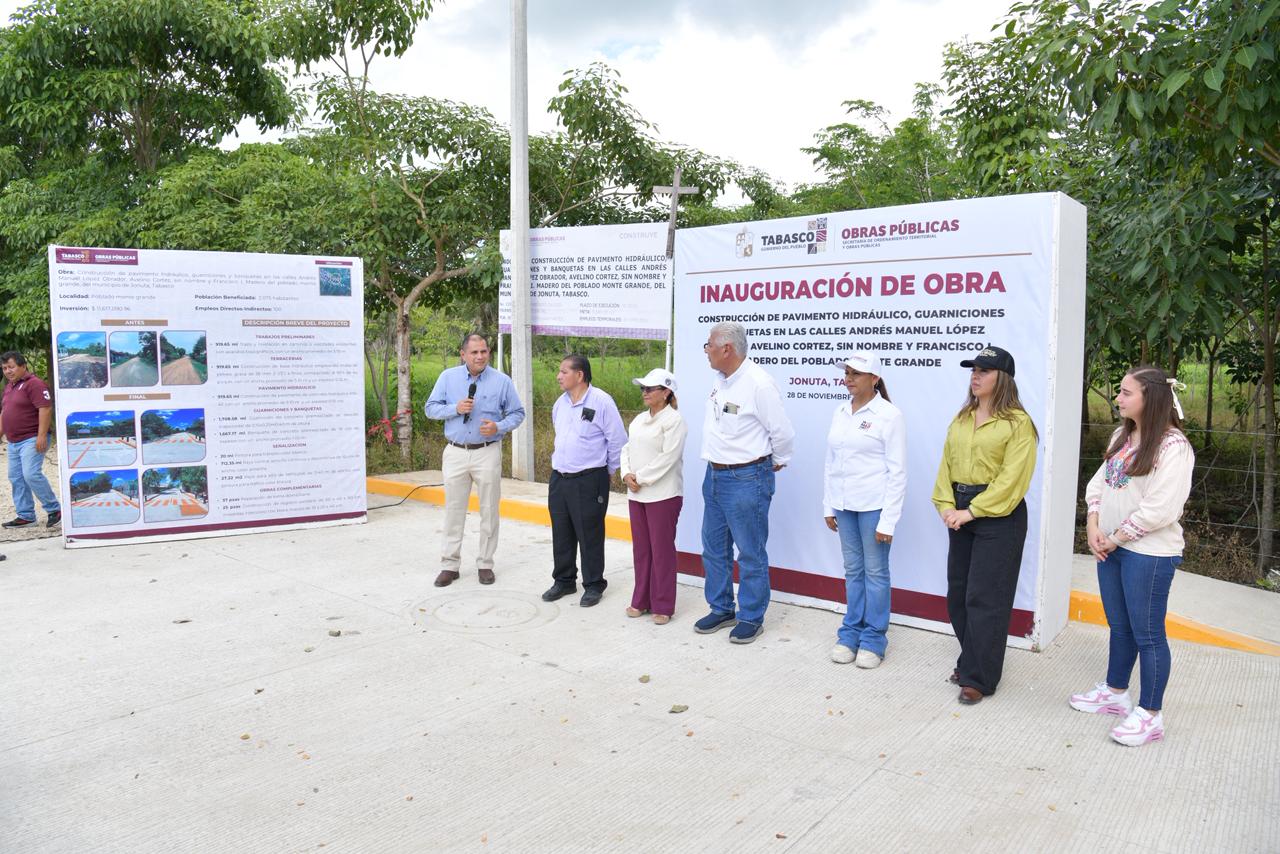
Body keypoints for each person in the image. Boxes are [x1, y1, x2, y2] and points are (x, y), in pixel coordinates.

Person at [1070, 366, 1194, 747]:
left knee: (1149, 634)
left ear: (1149, 398)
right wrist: (1093, 524)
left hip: (1148, 554)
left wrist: (1115, 538)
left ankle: (1151, 714)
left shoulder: (1174, 448)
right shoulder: (1121, 435)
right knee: (1120, 626)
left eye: (1126, 393)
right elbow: (1099, 484)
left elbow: (1160, 509)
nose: (1118, 398)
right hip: (1111, 547)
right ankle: (1115, 692)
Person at [931, 346, 1037, 705]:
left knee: (986, 598)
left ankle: (980, 677)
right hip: (960, 508)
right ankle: (971, 660)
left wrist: (972, 511)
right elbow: (946, 465)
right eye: (973, 370)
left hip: (999, 516)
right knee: (959, 594)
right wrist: (947, 504)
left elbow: (1012, 479)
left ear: (1002, 378)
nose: (975, 376)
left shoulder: (1018, 424)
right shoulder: (963, 418)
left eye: (984, 371)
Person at [696, 322, 795, 644]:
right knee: (714, 549)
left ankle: (751, 616)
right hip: (714, 475)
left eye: (709, 345)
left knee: (750, 553)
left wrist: (775, 461)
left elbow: (782, 432)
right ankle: (722, 608)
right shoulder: (720, 380)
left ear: (727, 349)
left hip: (746, 477)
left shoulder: (759, 383)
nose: (706, 350)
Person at [823, 353, 906, 669]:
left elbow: (898, 472)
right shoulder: (840, 411)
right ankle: (850, 634)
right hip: (844, 506)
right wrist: (828, 504)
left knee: (875, 573)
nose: (849, 378)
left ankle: (873, 639)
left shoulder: (889, 415)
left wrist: (889, 520)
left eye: (856, 373)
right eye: (847, 372)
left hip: (874, 507)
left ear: (874, 379)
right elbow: (831, 462)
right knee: (853, 571)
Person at [424, 333, 525, 587]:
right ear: (463, 354)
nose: (480, 356)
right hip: (456, 451)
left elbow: (517, 413)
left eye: (484, 351)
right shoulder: (448, 378)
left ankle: (485, 563)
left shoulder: (501, 381)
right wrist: (455, 409)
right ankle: (450, 565)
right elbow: (430, 408)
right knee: (454, 510)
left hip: (487, 451)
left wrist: (499, 426)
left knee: (489, 509)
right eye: (474, 352)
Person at [543, 354, 627, 608]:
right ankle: (564, 580)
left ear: (579, 375)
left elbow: (617, 440)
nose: (558, 376)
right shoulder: (560, 404)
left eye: (563, 372)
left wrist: (609, 471)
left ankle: (594, 584)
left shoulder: (601, 401)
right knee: (561, 532)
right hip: (560, 478)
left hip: (589, 478)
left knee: (589, 533)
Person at [620, 368, 688, 625]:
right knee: (642, 550)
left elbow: (669, 457)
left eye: (650, 388)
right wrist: (626, 474)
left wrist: (641, 478)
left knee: (662, 551)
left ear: (666, 392)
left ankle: (663, 605)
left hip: (663, 495)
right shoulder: (638, 420)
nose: (645, 392)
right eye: (643, 388)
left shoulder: (674, 421)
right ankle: (641, 600)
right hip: (636, 494)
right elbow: (627, 449)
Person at [2, 351, 61, 529]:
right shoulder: (10, 387)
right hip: (13, 441)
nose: (8, 371)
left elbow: (45, 408)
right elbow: (4, 413)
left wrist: (41, 436)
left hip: (32, 438)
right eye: (4, 368)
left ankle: (55, 509)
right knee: (16, 477)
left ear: (23, 366)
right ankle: (26, 516)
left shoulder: (34, 384)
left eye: (11, 367)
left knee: (31, 474)